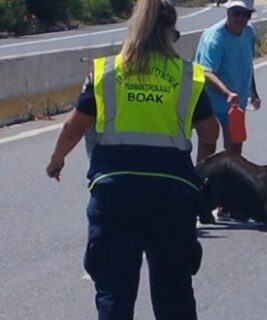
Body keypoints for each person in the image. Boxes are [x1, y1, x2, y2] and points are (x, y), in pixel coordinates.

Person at [45, 0, 219, 318]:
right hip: (172, 196)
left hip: (115, 193)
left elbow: (73, 127)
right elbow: (210, 132)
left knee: (114, 292)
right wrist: (199, 171)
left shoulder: (107, 72)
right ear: (170, 34)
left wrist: (56, 160)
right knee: (174, 294)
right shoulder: (188, 76)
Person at [194, 0, 261, 223]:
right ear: (228, 12)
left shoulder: (249, 33)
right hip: (210, 102)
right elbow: (207, 72)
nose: (240, 19)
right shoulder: (215, 37)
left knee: (234, 151)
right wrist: (227, 93)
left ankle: (226, 204)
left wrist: (253, 92)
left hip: (236, 105)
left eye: (245, 14)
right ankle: (199, 201)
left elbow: (248, 64)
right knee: (209, 151)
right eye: (236, 13)